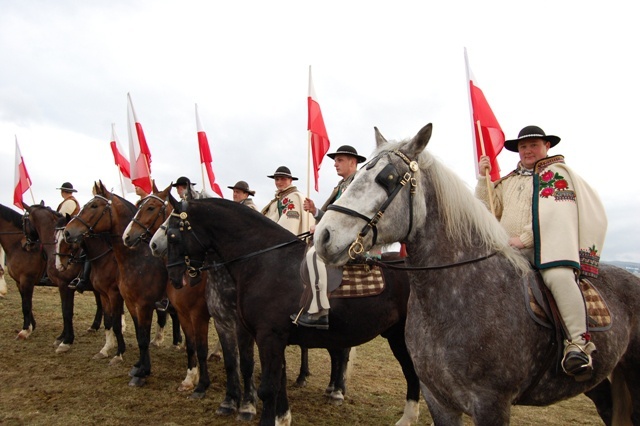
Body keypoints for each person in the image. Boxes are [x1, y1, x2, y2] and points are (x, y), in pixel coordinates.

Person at [475, 125, 607, 381]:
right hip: (507, 250)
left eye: (533, 145)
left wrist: (523, 239)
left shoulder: (557, 175)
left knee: (558, 278)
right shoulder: (510, 180)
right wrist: (483, 179)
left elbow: (556, 214)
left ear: (547, 146)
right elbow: (485, 207)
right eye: (523, 146)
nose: (527, 150)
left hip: (547, 250)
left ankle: (578, 344)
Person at [292, 145, 366, 329]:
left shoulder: (359, 184)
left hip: (355, 239)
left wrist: (321, 228)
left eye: (339, 160)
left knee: (314, 256)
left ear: (353, 162)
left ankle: (320, 311)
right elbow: (332, 216)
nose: (335, 164)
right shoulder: (341, 186)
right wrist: (315, 212)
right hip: (340, 236)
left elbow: (352, 217)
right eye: (335, 160)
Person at [156, 176, 206, 311]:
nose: (179, 190)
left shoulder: (196, 201)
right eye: (178, 187)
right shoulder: (179, 204)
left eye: (181, 187)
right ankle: (167, 296)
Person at [261, 166, 310, 236]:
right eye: (277, 179)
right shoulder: (275, 200)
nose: (279, 182)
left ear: (290, 180)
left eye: (283, 179)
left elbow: (290, 225)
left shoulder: (295, 197)